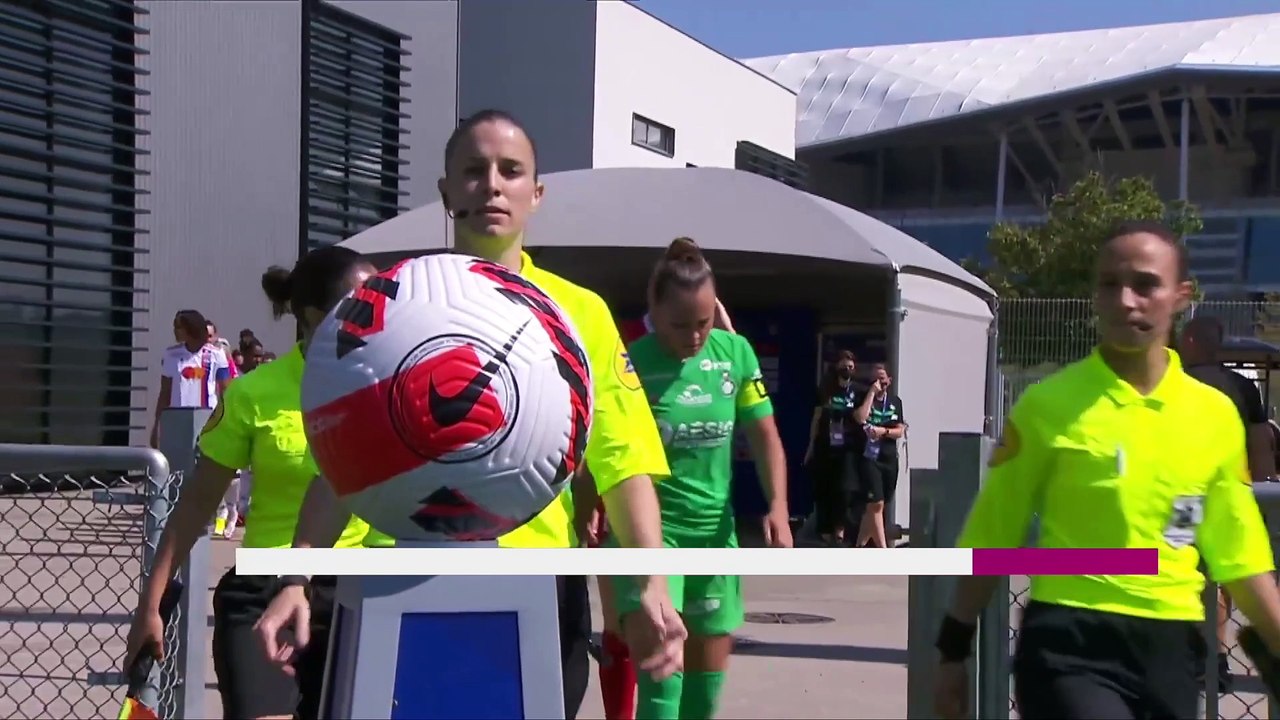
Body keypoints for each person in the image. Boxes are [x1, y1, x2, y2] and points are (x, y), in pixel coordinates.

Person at [252, 108, 686, 720]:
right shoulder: (393, 307)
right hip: (397, 583)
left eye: (511, 171)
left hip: (536, 587)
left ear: (535, 193)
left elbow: (624, 462)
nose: (492, 184)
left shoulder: (578, 314)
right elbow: (346, 461)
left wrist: (651, 584)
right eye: (474, 170)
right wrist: (295, 577)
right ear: (446, 191)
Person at [933, 220, 1280, 720]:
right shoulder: (1047, 406)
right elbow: (993, 530)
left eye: (1144, 284)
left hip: (1171, 649)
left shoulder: (1214, 415)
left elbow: (1237, 547)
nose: (1124, 300)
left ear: (1181, 296)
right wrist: (952, 649)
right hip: (1068, 644)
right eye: (1109, 284)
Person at [125, 246, 377, 720]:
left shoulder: (388, 387)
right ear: (312, 315)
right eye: (361, 305)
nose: (377, 318)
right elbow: (197, 505)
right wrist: (150, 605)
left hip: (352, 597)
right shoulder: (253, 393)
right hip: (262, 590)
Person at [616, 236, 792, 719]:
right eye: (680, 325)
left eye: (703, 322)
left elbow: (764, 436)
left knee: (704, 697)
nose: (694, 336)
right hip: (654, 539)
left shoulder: (735, 354)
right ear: (653, 310)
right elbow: (612, 450)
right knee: (661, 692)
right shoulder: (633, 361)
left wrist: (776, 505)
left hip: (716, 535)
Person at [584, 288, 739, 720]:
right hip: (625, 502)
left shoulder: (715, 351)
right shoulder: (630, 344)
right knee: (623, 624)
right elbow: (608, 428)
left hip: (689, 520)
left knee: (666, 632)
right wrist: (592, 499)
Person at [1179, 314, 1279, 693]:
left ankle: (1186, 653)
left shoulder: (1173, 384)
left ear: (1189, 342)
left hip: (1182, 497)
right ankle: (1215, 660)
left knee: (1178, 568)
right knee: (1226, 579)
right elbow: (1259, 445)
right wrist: (1266, 488)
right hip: (1231, 494)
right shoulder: (1240, 387)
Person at [803, 350, 862, 546]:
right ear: (837, 367)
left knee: (845, 491)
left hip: (847, 449)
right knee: (824, 489)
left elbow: (861, 418)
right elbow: (817, 417)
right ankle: (826, 532)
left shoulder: (857, 391)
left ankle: (841, 530)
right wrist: (811, 447)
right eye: (845, 366)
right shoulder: (826, 389)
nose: (848, 369)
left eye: (851, 367)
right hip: (825, 447)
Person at [150, 309, 231, 448]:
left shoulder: (216, 354)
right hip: (177, 419)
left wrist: (226, 423)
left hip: (208, 419)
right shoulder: (171, 354)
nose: (175, 330)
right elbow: (165, 392)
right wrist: (157, 424)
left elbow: (227, 392)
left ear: (191, 328)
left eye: (178, 327)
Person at [850, 362, 906, 549]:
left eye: (881, 379)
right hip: (869, 457)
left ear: (889, 381)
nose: (878, 383)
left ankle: (859, 545)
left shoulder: (895, 402)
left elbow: (899, 430)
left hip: (888, 457)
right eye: (874, 379)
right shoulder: (864, 397)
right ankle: (883, 550)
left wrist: (882, 431)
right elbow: (860, 417)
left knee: (878, 505)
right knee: (876, 504)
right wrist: (872, 393)